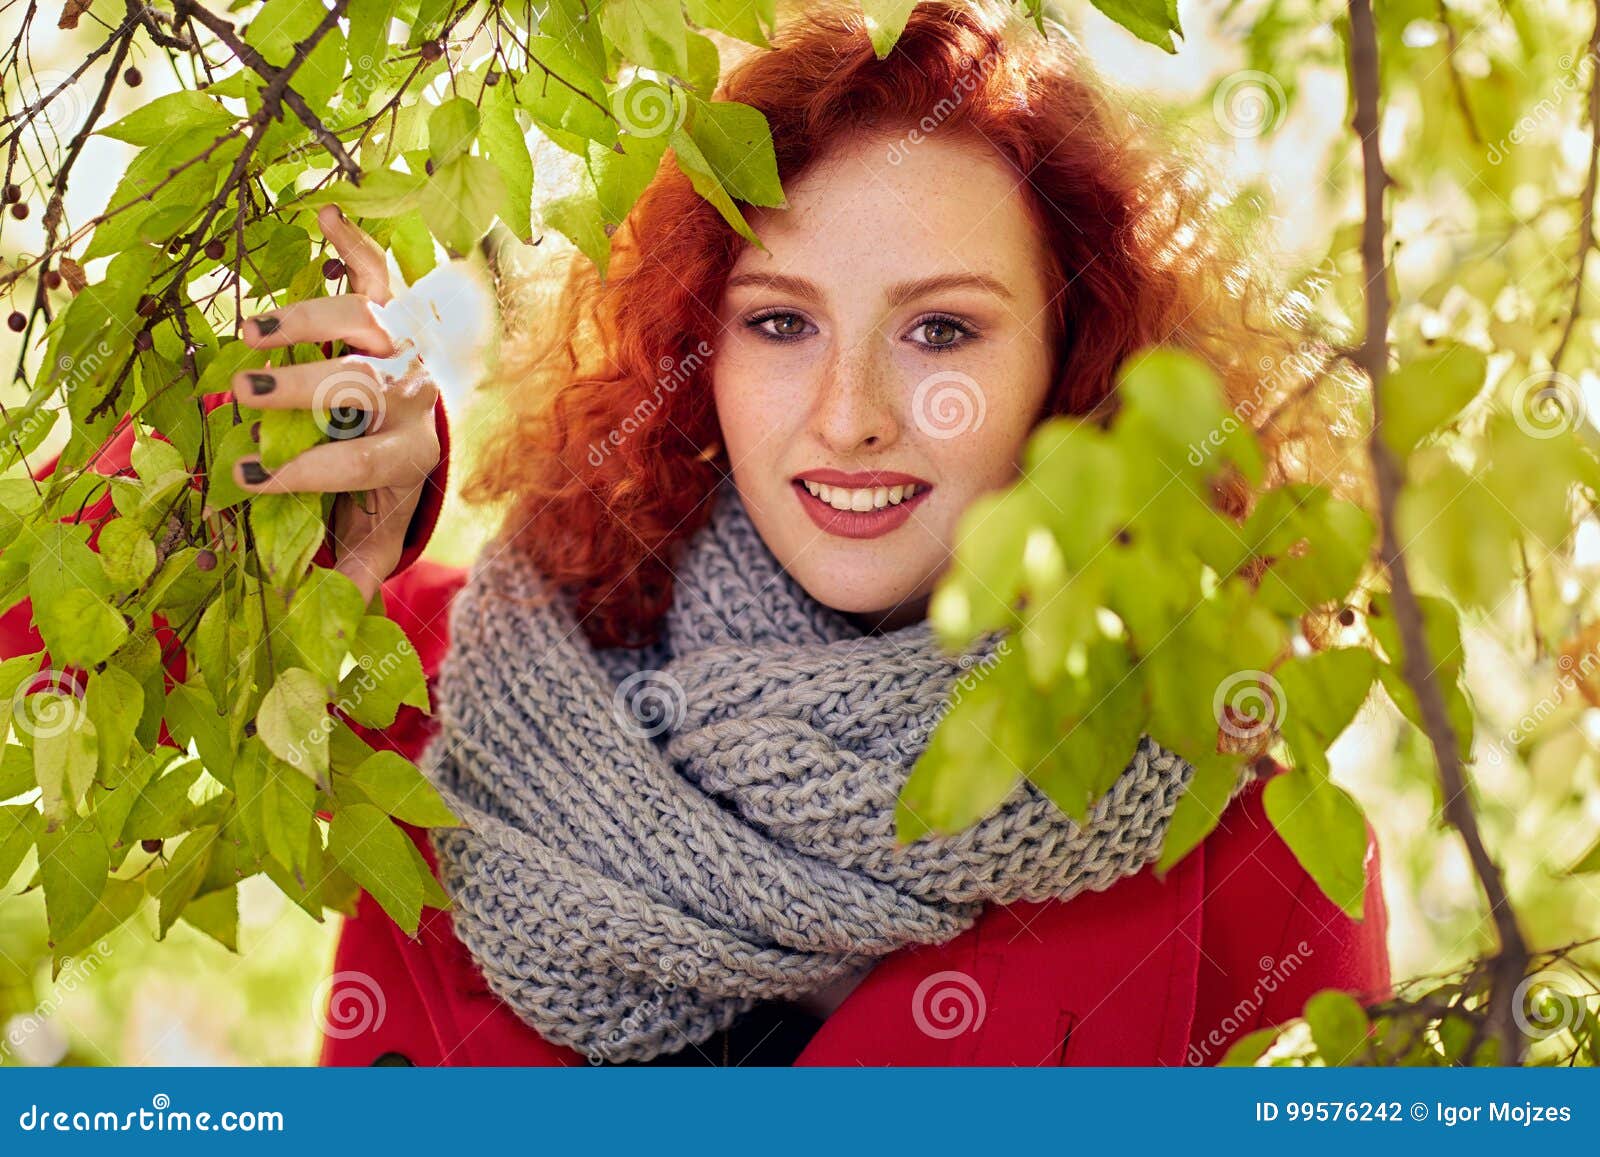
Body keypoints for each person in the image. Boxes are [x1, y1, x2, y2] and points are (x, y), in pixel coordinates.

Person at [5, 0, 1389, 1067]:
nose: (849, 414)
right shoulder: (440, 683)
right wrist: (318, 500)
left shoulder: (1242, 830)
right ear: (696, 351)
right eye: (780, 322)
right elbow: (34, 633)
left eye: (943, 330)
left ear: (1073, 364)